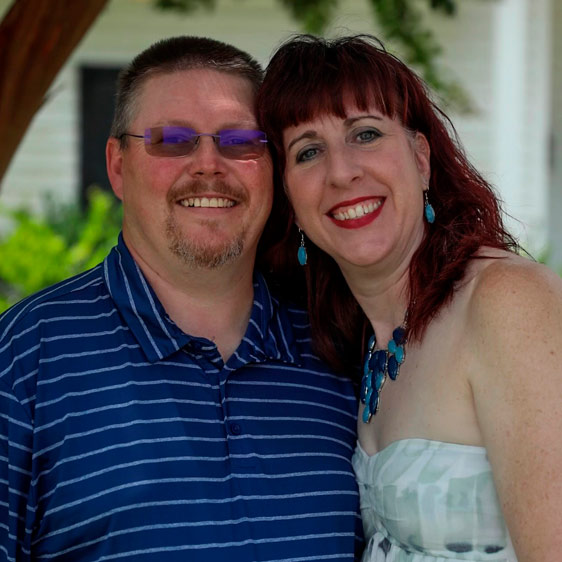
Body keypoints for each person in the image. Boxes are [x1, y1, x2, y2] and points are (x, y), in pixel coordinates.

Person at [0, 36, 363, 562]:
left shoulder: (336, 348)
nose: (209, 165)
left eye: (240, 140)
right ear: (118, 166)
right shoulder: (25, 357)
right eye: (172, 140)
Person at [257, 34, 562, 562]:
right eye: (308, 151)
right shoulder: (356, 341)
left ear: (421, 159)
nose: (341, 171)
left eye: (366, 134)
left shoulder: (507, 301)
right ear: (289, 197)